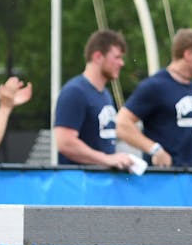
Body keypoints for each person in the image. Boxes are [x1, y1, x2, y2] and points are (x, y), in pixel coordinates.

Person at [115, 28, 192, 176]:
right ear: (188, 54)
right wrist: (154, 149)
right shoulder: (155, 85)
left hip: (190, 180)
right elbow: (121, 123)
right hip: (161, 181)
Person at [55, 30, 137, 170]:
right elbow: (64, 142)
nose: (121, 63)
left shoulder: (105, 94)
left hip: (102, 185)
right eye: (117, 57)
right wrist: (107, 159)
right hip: (80, 186)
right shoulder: (75, 92)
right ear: (98, 56)